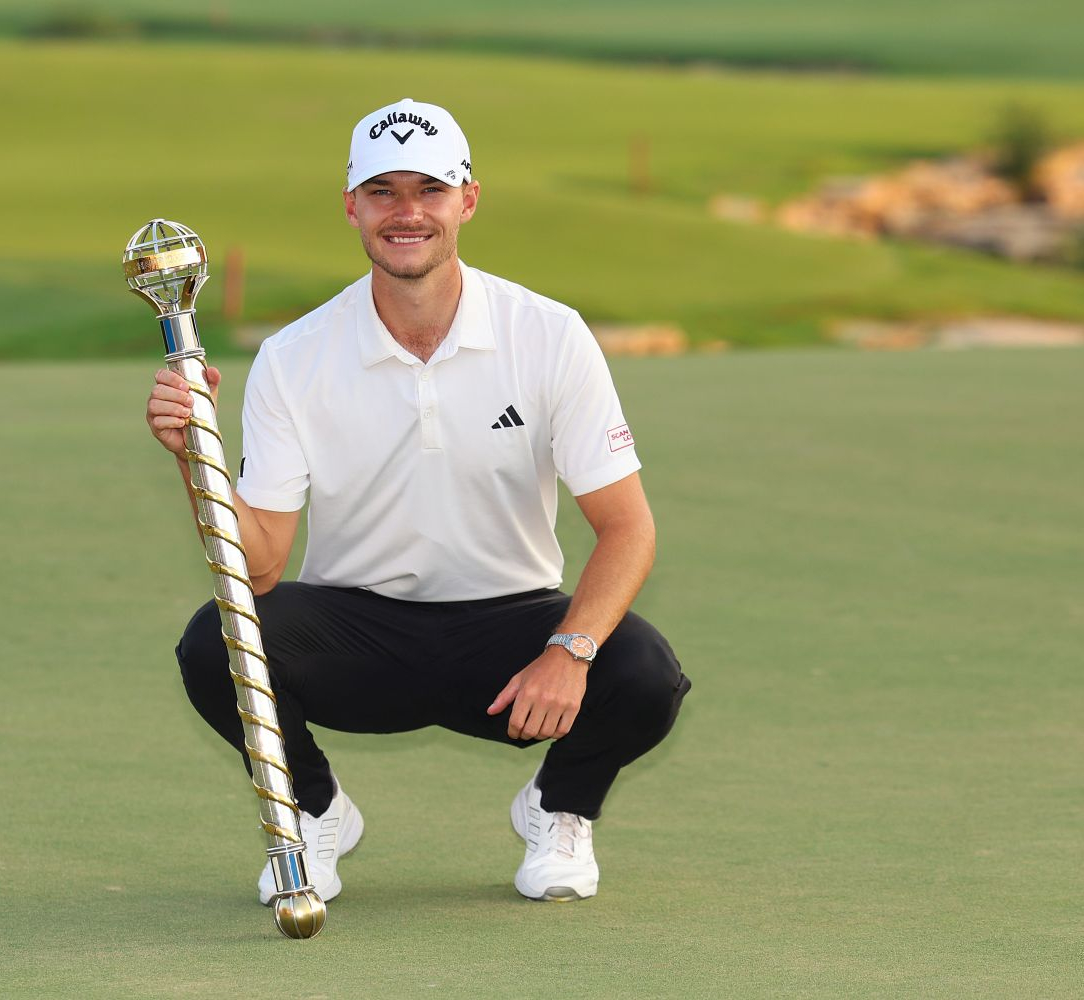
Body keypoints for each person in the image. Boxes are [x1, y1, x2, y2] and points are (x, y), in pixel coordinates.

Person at [145, 98, 690, 903]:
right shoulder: (295, 357)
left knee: (643, 673)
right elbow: (258, 569)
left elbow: (628, 528)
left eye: (429, 190)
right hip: (357, 628)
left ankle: (559, 807)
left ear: (468, 199)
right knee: (215, 641)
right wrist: (198, 456)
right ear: (352, 207)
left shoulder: (548, 333)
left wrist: (567, 652)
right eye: (383, 192)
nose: (407, 214)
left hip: (512, 630)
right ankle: (315, 810)